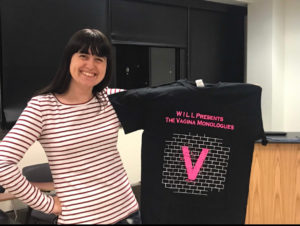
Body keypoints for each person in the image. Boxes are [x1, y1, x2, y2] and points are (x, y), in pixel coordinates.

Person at [0, 28, 140, 224]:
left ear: (107, 66)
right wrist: (48, 205)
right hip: (80, 219)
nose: (91, 65)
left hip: (127, 213)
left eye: (99, 59)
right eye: (84, 55)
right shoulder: (43, 107)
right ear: (69, 60)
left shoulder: (112, 99)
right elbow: (2, 164)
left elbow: (162, 102)